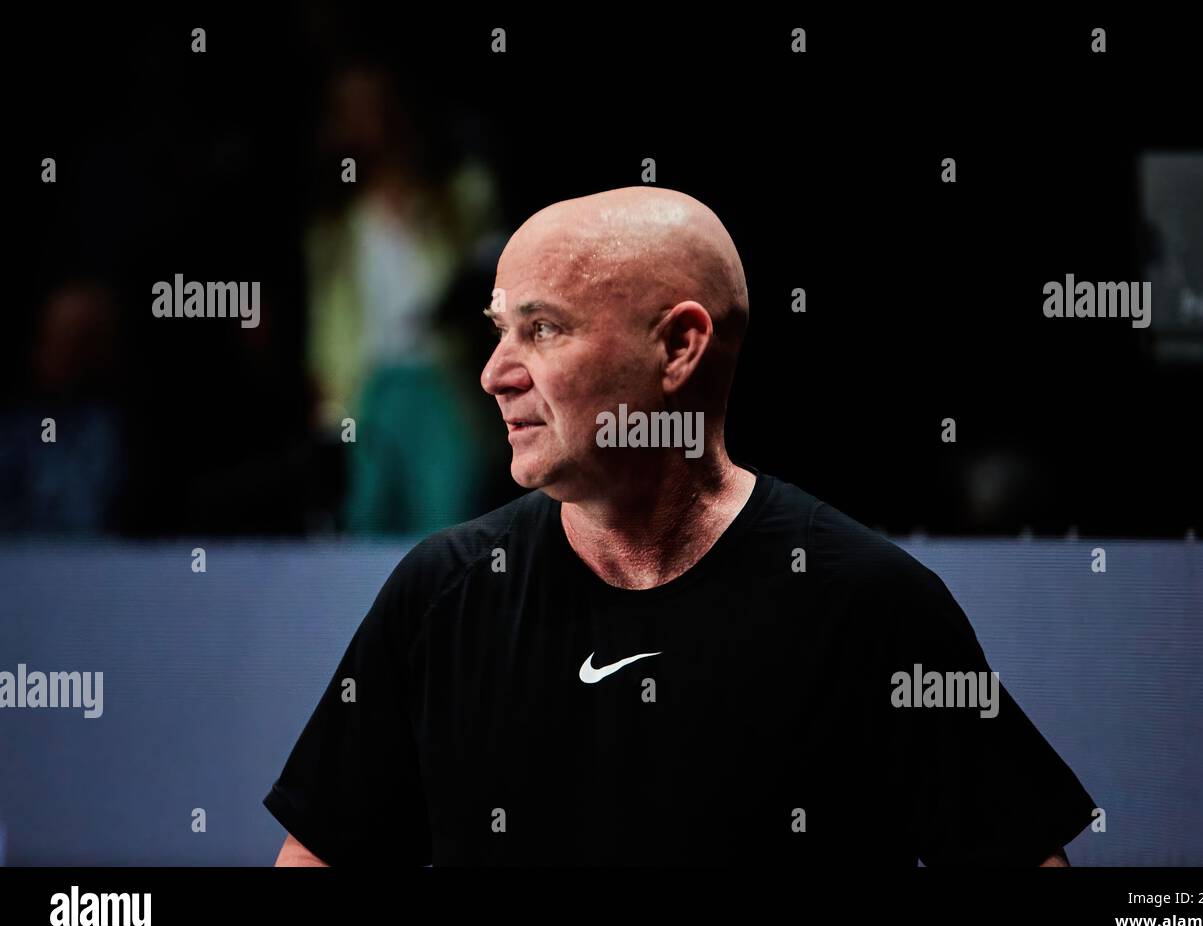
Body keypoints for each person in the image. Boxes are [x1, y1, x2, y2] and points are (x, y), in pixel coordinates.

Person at [265, 186, 1095, 866]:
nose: (493, 373)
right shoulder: (441, 594)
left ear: (679, 348)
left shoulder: (870, 607)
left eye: (542, 329)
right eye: (498, 331)